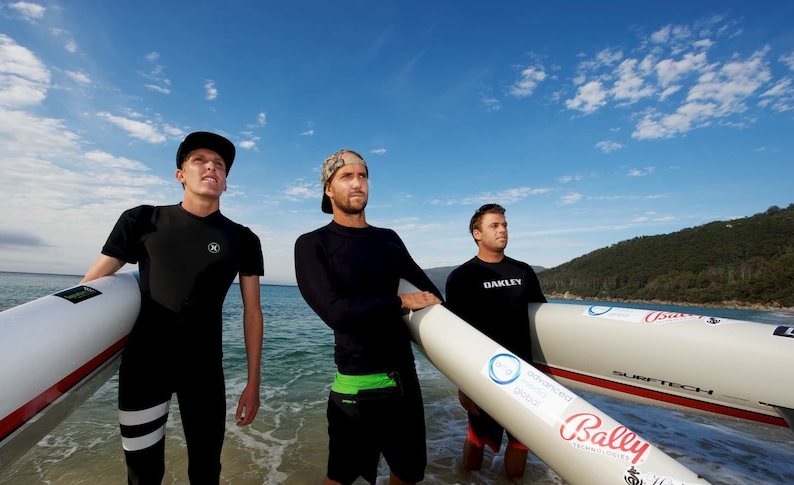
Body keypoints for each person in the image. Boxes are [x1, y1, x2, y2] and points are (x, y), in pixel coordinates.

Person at [80, 131, 264, 484]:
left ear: (226, 183)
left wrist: (253, 382)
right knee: (143, 475)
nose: (211, 167)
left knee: (207, 471)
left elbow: (252, 312)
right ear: (181, 175)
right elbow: (94, 282)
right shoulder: (143, 220)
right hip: (144, 369)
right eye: (200, 160)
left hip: (205, 370)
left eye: (220, 165)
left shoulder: (242, 239)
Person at [294, 149, 443, 485]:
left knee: (408, 474)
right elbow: (336, 312)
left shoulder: (388, 239)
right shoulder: (312, 244)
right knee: (343, 479)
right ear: (329, 189)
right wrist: (400, 301)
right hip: (357, 388)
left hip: (405, 381)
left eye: (362, 175)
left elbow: (430, 293)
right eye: (346, 177)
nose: (357, 183)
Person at [444, 203, 547, 480]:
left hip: (525, 375)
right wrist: (463, 384)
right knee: (478, 441)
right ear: (477, 234)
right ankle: (468, 479)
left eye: (504, 225)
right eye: (494, 226)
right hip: (483, 374)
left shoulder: (523, 271)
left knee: (521, 441)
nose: (502, 230)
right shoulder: (462, 277)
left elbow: (543, 320)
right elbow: (455, 335)